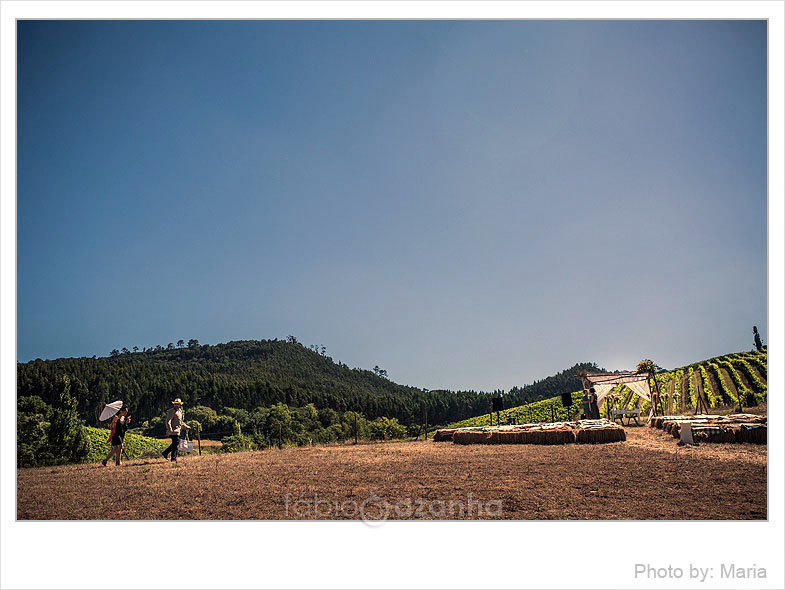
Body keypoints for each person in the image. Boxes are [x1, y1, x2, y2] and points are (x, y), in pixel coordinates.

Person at [162, 398, 190, 462]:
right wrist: (169, 429)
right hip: (173, 431)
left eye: (178, 404)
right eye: (175, 404)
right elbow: (168, 421)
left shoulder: (180, 412)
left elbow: (181, 422)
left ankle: (170, 456)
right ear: (174, 404)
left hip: (178, 431)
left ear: (180, 405)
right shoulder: (171, 411)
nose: (177, 405)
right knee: (176, 443)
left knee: (175, 444)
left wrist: (186, 426)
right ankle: (170, 456)